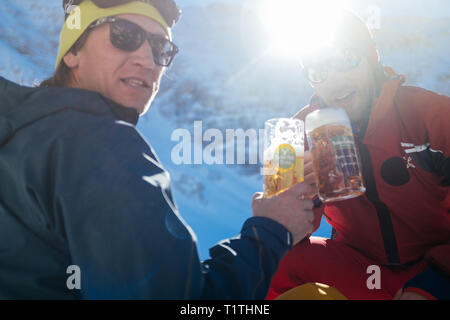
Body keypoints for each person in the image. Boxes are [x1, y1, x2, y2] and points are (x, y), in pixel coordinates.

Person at [0, 0, 315, 299]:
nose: (147, 60)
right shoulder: (100, 143)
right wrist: (273, 230)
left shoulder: (22, 136)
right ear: (73, 52)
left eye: (160, 48)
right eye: (124, 35)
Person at [267, 10, 450, 300]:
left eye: (347, 59)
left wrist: (437, 281)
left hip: (436, 265)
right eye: (318, 70)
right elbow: (281, 233)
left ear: (371, 57)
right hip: (360, 268)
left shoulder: (430, 115)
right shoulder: (296, 133)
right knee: (274, 264)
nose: (335, 81)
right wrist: (300, 197)